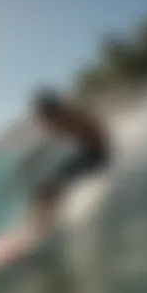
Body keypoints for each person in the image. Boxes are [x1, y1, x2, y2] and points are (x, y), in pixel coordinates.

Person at [25, 88, 110, 236]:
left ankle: (42, 229)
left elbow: (98, 132)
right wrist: (30, 162)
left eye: (42, 113)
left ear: (50, 109)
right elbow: (48, 143)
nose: (42, 118)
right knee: (44, 189)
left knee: (51, 187)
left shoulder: (72, 115)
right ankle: (36, 225)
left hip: (98, 156)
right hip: (86, 154)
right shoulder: (59, 120)